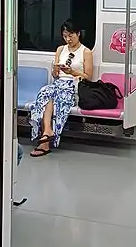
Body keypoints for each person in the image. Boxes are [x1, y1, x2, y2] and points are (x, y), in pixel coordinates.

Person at [30, 21, 93, 157]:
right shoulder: (60, 49)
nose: (68, 39)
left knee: (54, 98)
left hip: (73, 86)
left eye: (71, 36)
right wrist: (55, 70)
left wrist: (72, 72)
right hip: (58, 84)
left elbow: (88, 77)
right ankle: (47, 133)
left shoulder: (86, 52)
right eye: (65, 36)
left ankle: (45, 139)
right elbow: (55, 75)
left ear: (78, 34)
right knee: (45, 93)